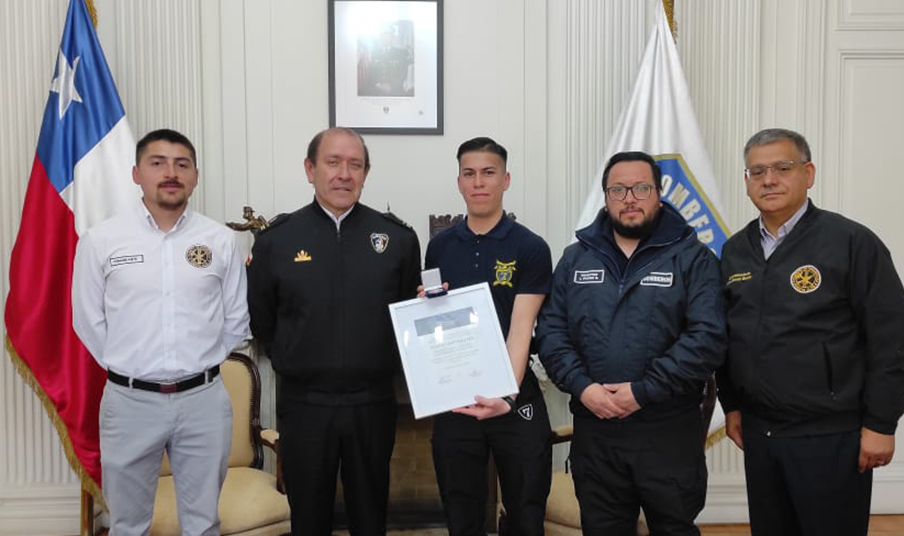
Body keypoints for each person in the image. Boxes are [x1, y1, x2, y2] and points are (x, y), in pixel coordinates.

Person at [717, 128, 904, 536]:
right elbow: (728, 335)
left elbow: (891, 334)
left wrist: (882, 424)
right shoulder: (735, 250)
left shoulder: (850, 242)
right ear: (746, 182)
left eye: (782, 168)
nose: (768, 179)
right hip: (760, 432)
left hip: (830, 434)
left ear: (808, 173)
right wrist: (732, 404)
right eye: (757, 171)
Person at [537, 151, 726, 536]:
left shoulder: (694, 258)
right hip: (596, 431)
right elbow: (551, 333)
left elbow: (707, 338)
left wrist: (643, 392)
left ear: (659, 194)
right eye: (618, 189)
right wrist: (583, 387)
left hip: (667, 432)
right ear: (605, 197)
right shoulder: (575, 260)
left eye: (641, 188)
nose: (629, 198)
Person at [72, 129, 250, 536]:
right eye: (158, 163)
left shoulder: (219, 241)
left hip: (203, 402)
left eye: (182, 164)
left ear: (195, 176)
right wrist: (131, 368)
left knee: (203, 523)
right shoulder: (102, 241)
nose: (171, 173)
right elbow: (87, 320)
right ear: (136, 173)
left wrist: (196, 365)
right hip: (129, 403)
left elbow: (236, 320)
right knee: (128, 525)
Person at [246, 127, 421, 536]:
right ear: (310, 169)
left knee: (370, 513)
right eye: (333, 162)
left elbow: (406, 318)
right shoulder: (277, 241)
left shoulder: (397, 239)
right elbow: (262, 320)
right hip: (305, 405)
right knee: (308, 516)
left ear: (365, 173)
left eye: (355, 165)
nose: (344, 174)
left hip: (373, 403)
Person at [423, 137, 552, 536]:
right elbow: (435, 324)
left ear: (506, 180)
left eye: (489, 172)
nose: (479, 182)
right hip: (456, 400)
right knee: (461, 515)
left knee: (526, 512)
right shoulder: (439, 247)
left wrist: (506, 395)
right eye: (469, 173)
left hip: (513, 396)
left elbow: (521, 330)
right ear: (459, 182)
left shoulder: (530, 247)